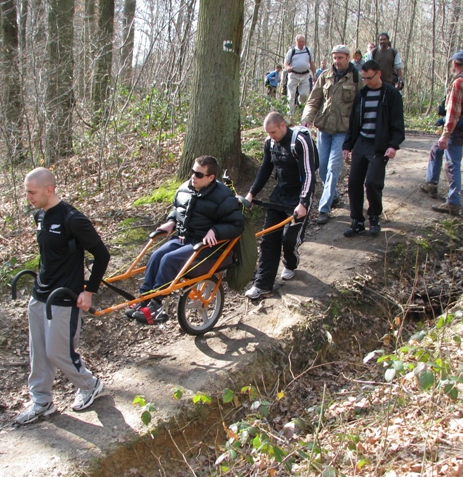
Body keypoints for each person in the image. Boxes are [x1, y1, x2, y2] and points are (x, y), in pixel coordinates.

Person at [16, 167, 111, 425]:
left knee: (58, 351)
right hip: (40, 294)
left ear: (49, 190)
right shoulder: (40, 216)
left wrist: (88, 291)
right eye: (26, 192)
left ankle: (89, 385)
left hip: (65, 295)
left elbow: (102, 255)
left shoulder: (73, 220)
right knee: (38, 351)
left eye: (32, 192)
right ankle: (41, 401)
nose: (28, 197)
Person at [128, 156, 244, 323]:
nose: (193, 177)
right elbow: (178, 209)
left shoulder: (223, 196)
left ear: (211, 177)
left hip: (205, 245)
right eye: (192, 172)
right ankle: (144, 299)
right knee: (156, 255)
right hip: (183, 238)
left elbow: (237, 225)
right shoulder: (185, 188)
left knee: (169, 260)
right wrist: (171, 222)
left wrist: (215, 230)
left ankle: (156, 304)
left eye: (198, 174)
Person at [244, 112, 316, 299]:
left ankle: (291, 263)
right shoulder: (270, 143)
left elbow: (309, 174)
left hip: (300, 194)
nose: (271, 137)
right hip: (280, 194)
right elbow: (265, 169)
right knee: (269, 239)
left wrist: (304, 203)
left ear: (283, 125)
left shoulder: (300, 141)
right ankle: (262, 285)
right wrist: (251, 194)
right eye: (268, 133)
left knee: (289, 239)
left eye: (273, 132)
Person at [301, 44, 364, 225]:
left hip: (343, 131)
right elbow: (314, 100)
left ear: (348, 58)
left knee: (333, 168)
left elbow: (361, 106)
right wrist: (307, 118)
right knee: (321, 167)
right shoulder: (325, 76)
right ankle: (334, 195)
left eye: (341, 58)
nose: (337, 61)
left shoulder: (356, 78)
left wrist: (357, 132)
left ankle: (324, 209)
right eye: (335, 58)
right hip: (324, 128)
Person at [342, 60, 405, 237]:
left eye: (369, 78)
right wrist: (347, 146)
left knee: (372, 183)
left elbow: (398, 123)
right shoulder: (361, 95)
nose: (366, 81)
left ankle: (374, 216)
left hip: (380, 145)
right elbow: (353, 123)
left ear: (378, 74)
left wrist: (393, 145)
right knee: (354, 182)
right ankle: (357, 221)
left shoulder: (391, 94)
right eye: (364, 78)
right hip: (362, 142)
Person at [419, 50, 463, 215]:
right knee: (436, 150)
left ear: (454, 64)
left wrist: (445, 134)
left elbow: (453, 113)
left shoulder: (459, 83)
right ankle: (431, 184)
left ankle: (453, 202)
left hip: (457, 128)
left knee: (452, 164)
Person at [284, 35, 316, 116]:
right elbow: (286, 63)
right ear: (296, 42)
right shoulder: (292, 51)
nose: (301, 43)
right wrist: (288, 67)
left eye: (302, 41)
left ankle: (301, 109)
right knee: (291, 96)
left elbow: (312, 63)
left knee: (304, 95)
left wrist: (314, 74)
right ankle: (290, 114)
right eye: (299, 41)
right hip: (293, 75)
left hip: (305, 75)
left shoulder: (308, 50)